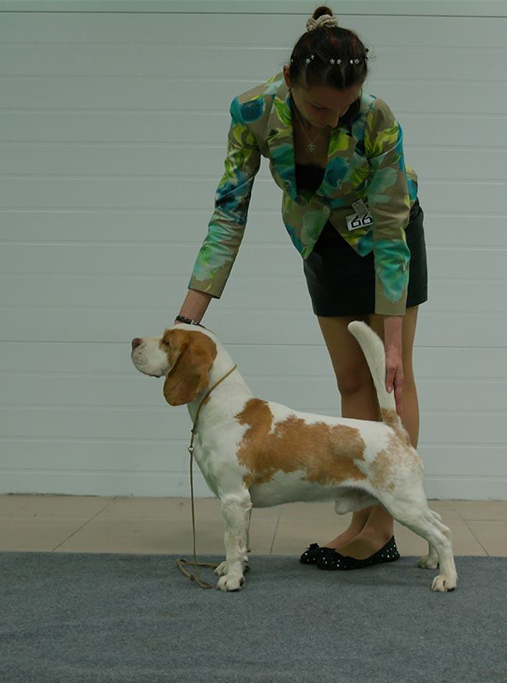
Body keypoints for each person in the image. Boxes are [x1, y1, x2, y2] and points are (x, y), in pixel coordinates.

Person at [175, 5, 428, 570]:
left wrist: (391, 338)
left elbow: (390, 225)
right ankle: (360, 517)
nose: (334, 120)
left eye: (345, 108)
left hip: (388, 236)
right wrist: (188, 319)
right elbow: (228, 213)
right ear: (289, 78)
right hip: (322, 238)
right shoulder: (252, 112)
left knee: (391, 374)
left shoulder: (378, 118)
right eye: (319, 108)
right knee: (350, 378)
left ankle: (382, 526)